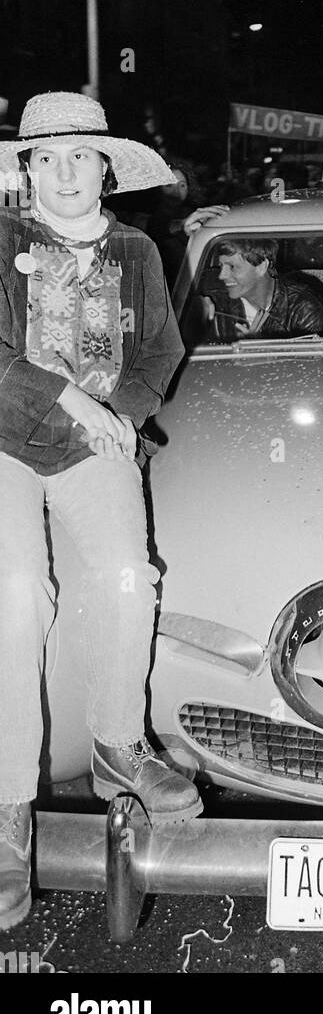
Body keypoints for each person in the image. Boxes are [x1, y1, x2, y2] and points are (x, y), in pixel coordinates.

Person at [0, 91, 203, 930]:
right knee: (16, 599)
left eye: (80, 156)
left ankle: (121, 748)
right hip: (5, 443)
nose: (63, 172)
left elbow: (162, 350)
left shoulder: (136, 250)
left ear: (106, 168)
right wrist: (67, 399)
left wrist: (119, 410)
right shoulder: (0, 238)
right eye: (45, 157)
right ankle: (9, 817)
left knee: (128, 577)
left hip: (98, 448)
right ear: (26, 171)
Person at [201, 238, 323, 341]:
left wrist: (262, 350)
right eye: (220, 267)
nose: (222, 276)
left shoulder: (304, 308)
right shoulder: (213, 297)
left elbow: (317, 369)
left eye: (232, 267)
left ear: (261, 267)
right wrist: (196, 309)